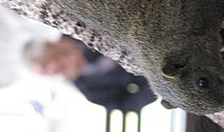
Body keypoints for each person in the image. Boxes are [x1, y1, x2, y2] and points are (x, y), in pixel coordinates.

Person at [23, 36, 156, 113]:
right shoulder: (87, 88)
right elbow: (126, 104)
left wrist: (83, 52)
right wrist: (156, 84)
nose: (52, 71)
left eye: (45, 64)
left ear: (49, 45)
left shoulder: (72, 24)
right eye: (46, 73)